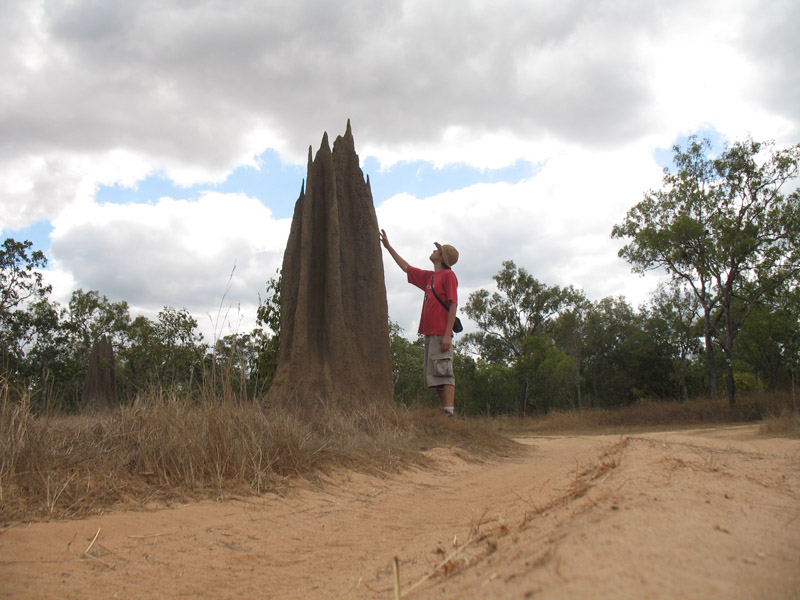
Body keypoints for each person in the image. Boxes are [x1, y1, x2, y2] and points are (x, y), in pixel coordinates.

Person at [380, 229, 459, 415]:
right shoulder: (430, 277)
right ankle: (444, 411)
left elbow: (453, 304)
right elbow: (406, 268)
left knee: (445, 372)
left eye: (437, 250)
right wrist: (389, 247)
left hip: (441, 333)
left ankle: (449, 412)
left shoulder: (448, 276)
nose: (434, 251)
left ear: (442, 257)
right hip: (430, 332)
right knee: (437, 374)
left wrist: (447, 333)